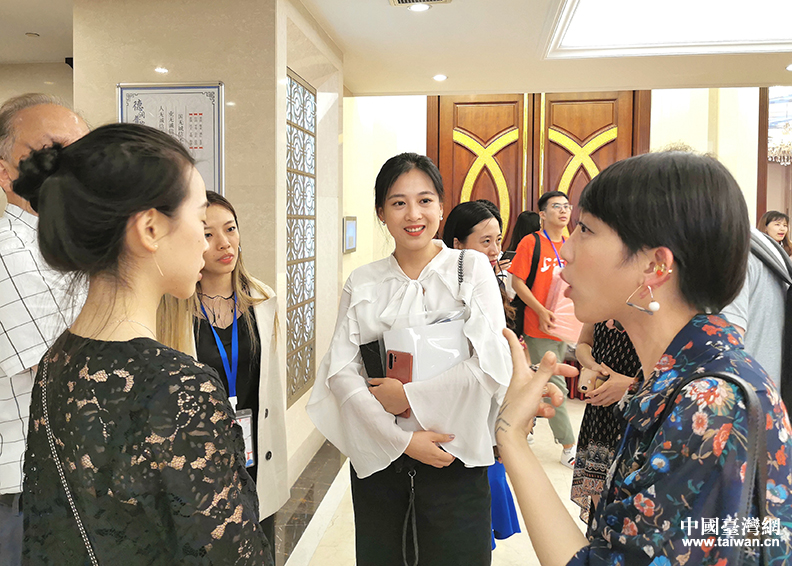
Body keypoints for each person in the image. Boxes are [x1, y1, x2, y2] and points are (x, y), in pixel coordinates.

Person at [495, 151, 792, 565]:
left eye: (586, 229)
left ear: (655, 266)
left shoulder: (711, 403)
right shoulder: (680, 376)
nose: (566, 249)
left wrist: (512, 437)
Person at [15, 123, 271, 564]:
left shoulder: (57, 361)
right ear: (150, 228)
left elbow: (47, 533)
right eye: (200, 222)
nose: (206, 241)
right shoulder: (179, 388)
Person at [307, 152, 511, 566]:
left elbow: (491, 365)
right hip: (383, 463)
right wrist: (401, 440)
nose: (413, 214)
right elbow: (341, 372)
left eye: (425, 200)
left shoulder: (470, 269)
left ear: (441, 206)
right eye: (398, 202)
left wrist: (408, 397)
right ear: (381, 212)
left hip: (455, 455)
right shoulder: (364, 281)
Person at [0, 93, 89, 565]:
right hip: (23, 490)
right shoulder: (10, 253)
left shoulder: (66, 248)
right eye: (52, 150)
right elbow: (66, 375)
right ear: (5, 173)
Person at [190, 191, 289, 561]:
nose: (224, 242)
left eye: (230, 229)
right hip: (201, 461)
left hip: (255, 454)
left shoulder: (263, 299)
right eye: (208, 234)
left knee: (259, 548)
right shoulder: (173, 308)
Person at [442, 200, 521, 548]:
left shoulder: (492, 282)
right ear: (457, 244)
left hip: (488, 415)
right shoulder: (445, 289)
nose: (494, 250)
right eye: (485, 241)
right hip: (457, 412)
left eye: (498, 240)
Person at [508, 190, 577, 467]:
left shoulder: (572, 244)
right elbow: (517, 282)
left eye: (566, 206)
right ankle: (569, 446)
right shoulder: (532, 242)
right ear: (543, 214)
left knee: (537, 382)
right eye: (556, 206)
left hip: (565, 325)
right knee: (554, 383)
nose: (563, 211)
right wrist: (540, 310)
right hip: (538, 327)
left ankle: (525, 426)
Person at [571, 320, 641, 525]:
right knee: (598, 499)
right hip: (600, 411)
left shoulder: (655, 308)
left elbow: (675, 368)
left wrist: (632, 386)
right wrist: (594, 366)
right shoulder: (600, 305)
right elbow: (584, 343)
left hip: (637, 409)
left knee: (626, 506)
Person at [721, 227, 791, 391]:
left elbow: (724, 347)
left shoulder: (729, 249)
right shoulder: (767, 245)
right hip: (768, 394)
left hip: (740, 397)